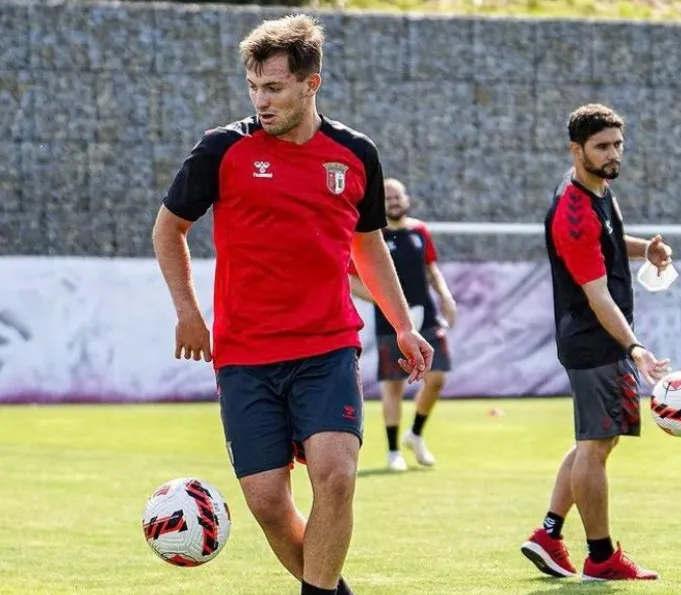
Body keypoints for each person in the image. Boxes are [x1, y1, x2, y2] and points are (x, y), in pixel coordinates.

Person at [151, 14, 434, 595]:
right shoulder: (221, 150)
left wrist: (402, 325)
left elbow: (368, 244)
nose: (261, 101)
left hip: (326, 348)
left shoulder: (356, 154)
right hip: (244, 357)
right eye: (254, 88)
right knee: (269, 505)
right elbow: (168, 229)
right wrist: (188, 311)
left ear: (312, 84)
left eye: (274, 88)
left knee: (336, 477)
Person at [520, 104, 673, 581]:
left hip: (600, 338)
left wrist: (644, 246)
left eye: (617, 145)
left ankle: (548, 534)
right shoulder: (574, 211)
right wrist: (635, 348)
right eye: (602, 147)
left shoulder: (599, 189)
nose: (613, 154)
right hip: (593, 339)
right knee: (596, 446)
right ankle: (601, 557)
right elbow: (597, 292)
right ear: (576, 149)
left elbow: (611, 241)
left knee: (594, 441)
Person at [347, 178, 456, 471]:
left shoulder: (420, 231)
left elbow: (431, 268)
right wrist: (383, 301)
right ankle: (393, 450)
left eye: (398, 196)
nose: (394, 201)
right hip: (391, 322)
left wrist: (445, 296)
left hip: (427, 316)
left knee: (437, 378)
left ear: (406, 199)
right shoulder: (371, 238)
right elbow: (350, 279)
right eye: (388, 197)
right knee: (392, 386)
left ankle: (415, 434)